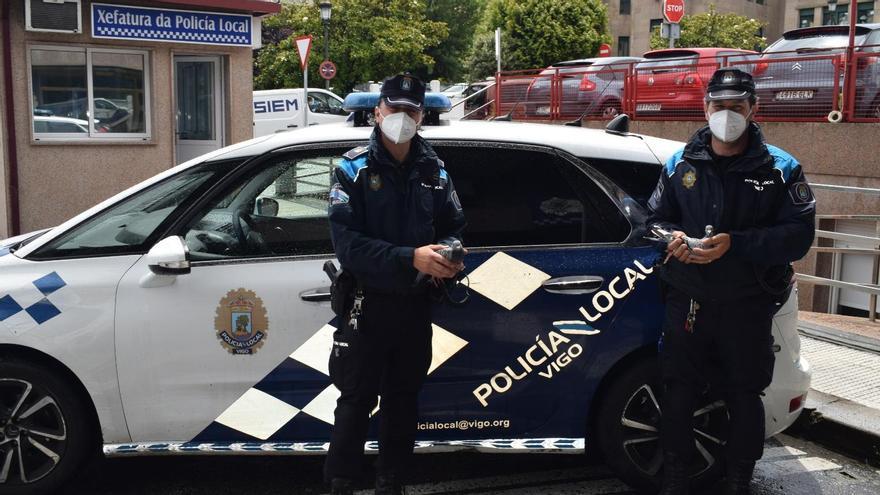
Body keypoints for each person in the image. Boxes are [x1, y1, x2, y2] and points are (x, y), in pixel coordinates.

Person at [647, 68, 816, 495]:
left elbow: (798, 237)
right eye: (718, 106)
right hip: (688, 298)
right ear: (705, 108)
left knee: (745, 394)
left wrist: (735, 244)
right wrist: (674, 239)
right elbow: (653, 221)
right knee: (679, 391)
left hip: (748, 302)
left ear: (753, 109)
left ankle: (740, 480)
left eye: (736, 107)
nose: (727, 115)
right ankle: (675, 479)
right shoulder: (679, 162)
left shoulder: (781, 168)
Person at [324, 73, 467, 495]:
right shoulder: (352, 169)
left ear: (421, 116)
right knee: (354, 403)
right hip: (366, 307)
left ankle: (393, 483)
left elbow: (455, 226)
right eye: (394, 108)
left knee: (403, 402)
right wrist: (411, 257)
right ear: (377, 111)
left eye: (411, 110)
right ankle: (342, 483)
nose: (401, 117)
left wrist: (452, 254)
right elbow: (348, 247)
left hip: (413, 305)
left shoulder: (434, 170)